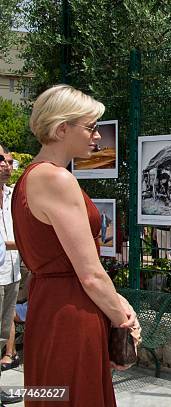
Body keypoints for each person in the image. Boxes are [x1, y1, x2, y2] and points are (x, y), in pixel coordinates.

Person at [11, 84, 137, 406]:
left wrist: (116, 300)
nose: (97, 137)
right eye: (91, 128)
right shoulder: (56, 179)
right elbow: (90, 274)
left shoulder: (29, 178)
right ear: (62, 127)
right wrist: (123, 320)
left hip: (47, 308)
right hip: (70, 313)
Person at [0, 145, 23, 404]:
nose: (6, 165)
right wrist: (23, 243)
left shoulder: (12, 195)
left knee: (3, 333)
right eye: (1, 161)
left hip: (12, 272)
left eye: (9, 161)